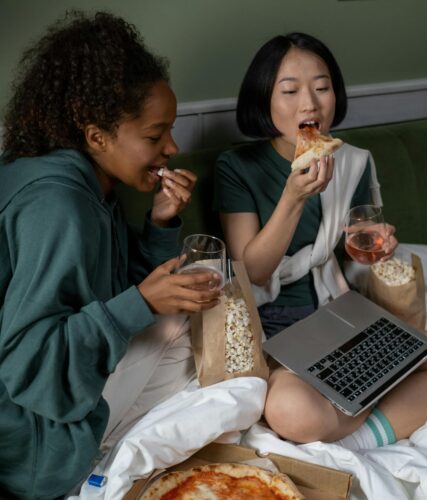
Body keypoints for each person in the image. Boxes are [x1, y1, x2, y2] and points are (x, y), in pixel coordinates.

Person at [214, 32, 427, 447]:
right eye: (290, 90)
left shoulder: (353, 161)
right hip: (279, 330)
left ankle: (357, 431)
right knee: (291, 410)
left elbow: (353, 247)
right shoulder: (237, 167)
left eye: (322, 88)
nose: (310, 103)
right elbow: (253, 270)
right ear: (263, 99)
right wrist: (293, 196)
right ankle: (378, 421)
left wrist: (375, 245)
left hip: (343, 315)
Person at [0, 11, 223, 499]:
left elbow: (110, 290)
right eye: (154, 135)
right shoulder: (59, 207)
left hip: (44, 408)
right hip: (31, 444)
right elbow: (26, 365)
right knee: (213, 357)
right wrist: (141, 303)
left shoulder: (89, 185)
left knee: (201, 328)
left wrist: (161, 220)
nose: (173, 146)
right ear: (96, 134)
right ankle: (96, 471)